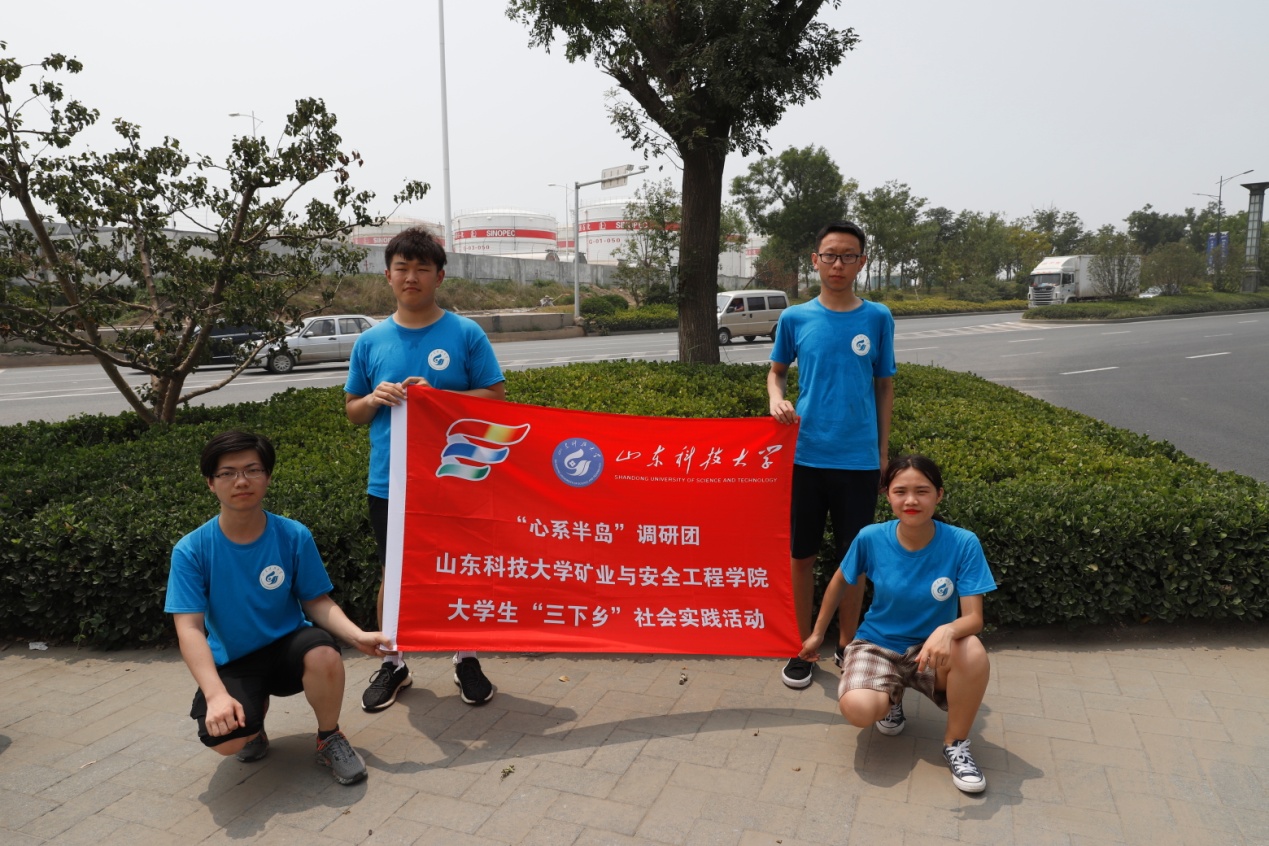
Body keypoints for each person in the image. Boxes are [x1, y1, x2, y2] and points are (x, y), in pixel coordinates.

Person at [165, 431, 390, 785]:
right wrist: (216, 694)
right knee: (227, 741)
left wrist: (356, 635)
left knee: (324, 654)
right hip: (235, 660)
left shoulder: (292, 534)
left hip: (289, 647)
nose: (241, 481)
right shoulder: (191, 550)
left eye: (252, 470)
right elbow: (189, 628)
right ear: (210, 483)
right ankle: (253, 728)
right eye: (227, 473)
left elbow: (316, 599)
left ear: (267, 476)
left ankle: (329, 737)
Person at [345, 227, 506, 712]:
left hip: (456, 476)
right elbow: (353, 410)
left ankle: (466, 656)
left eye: (421, 268)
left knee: (461, 568)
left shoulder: (465, 333)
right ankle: (393, 662)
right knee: (393, 573)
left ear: (439, 276)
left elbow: (495, 397)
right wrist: (375, 398)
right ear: (388, 275)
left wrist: (438, 398)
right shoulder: (370, 341)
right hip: (390, 482)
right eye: (402, 268)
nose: (411, 277)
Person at [800, 455, 996, 793]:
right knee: (858, 709)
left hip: (930, 651)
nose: (911, 500)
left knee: (974, 652)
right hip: (877, 644)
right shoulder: (871, 537)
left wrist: (947, 630)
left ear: (939, 495)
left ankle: (956, 744)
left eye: (922, 491)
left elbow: (974, 619)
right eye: (900, 491)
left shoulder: (963, 543)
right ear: (887, 495)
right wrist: (818, 634)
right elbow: (839, 581)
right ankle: (891, 697)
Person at [768, 220, 895, 689]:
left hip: (858, 461)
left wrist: (882, 452)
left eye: (847, 256)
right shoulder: (795, 318)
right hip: (804, 456)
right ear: (815, 260)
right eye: (829, 255)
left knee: (853, 561)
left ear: (862, 262)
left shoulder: (878, 317)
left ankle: (847, 645)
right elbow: (777, 372)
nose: (837, 264)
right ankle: (801, 644)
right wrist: (775, 399)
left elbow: (884, 386)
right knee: (801, 556)